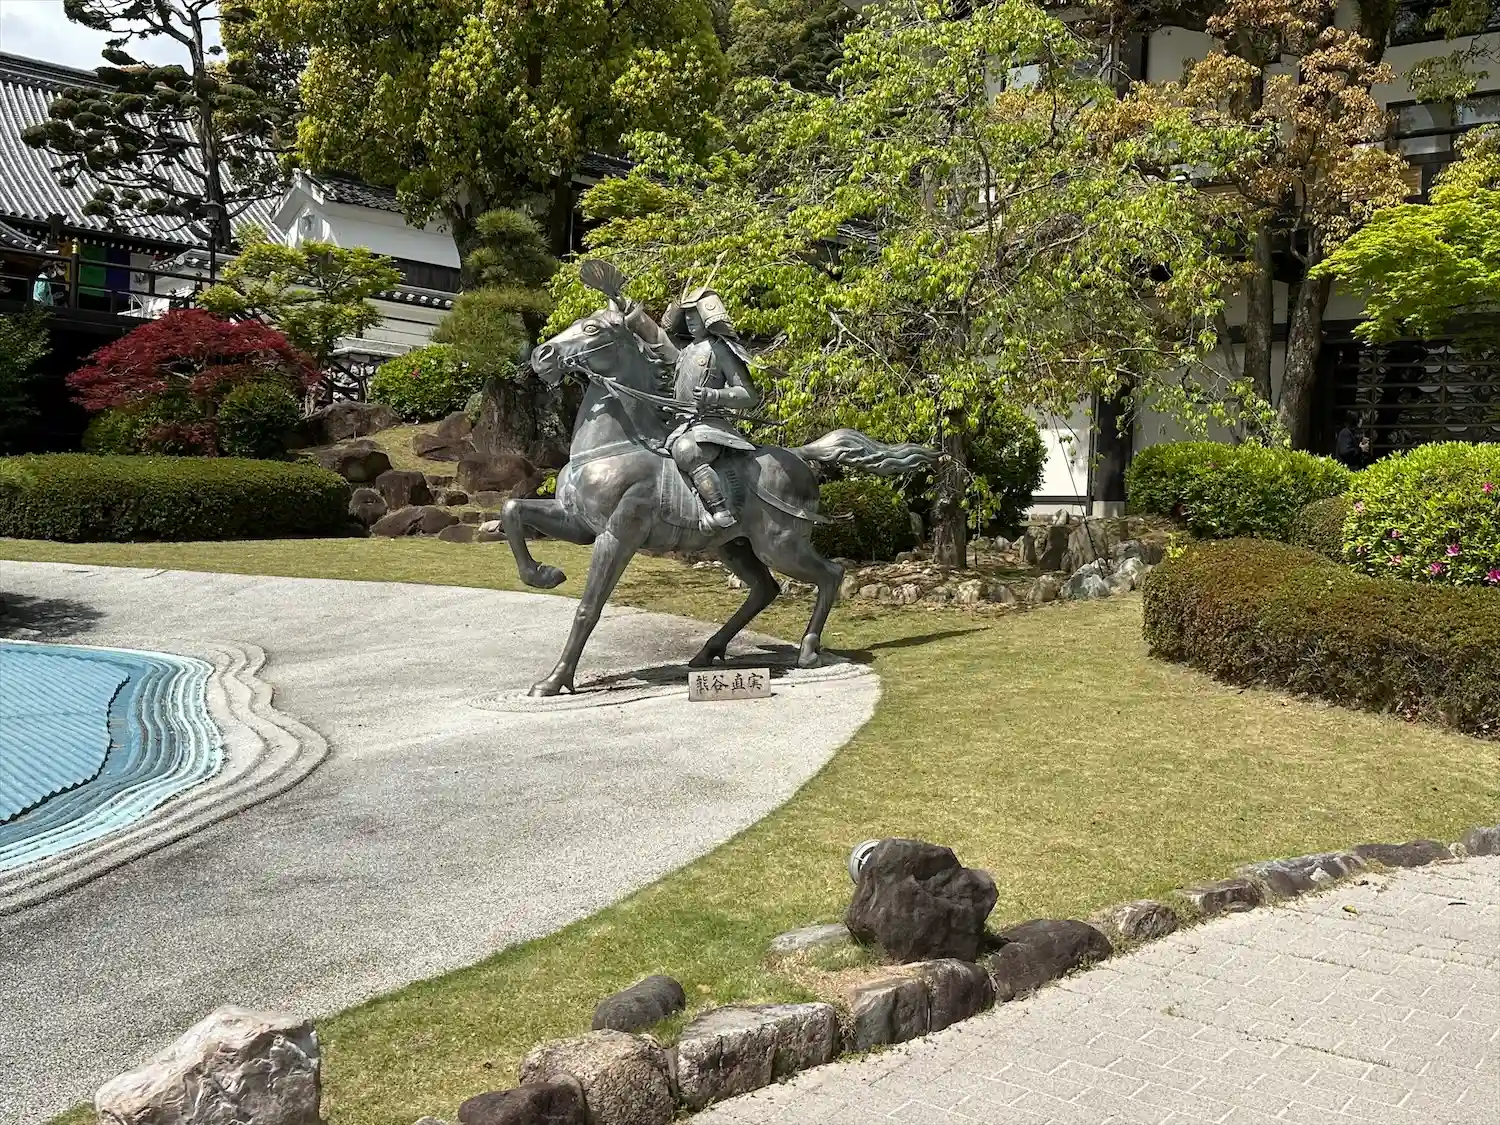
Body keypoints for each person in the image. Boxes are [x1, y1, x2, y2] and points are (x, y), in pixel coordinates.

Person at [621, 286, 760, 531]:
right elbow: (654, 336)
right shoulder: (685, 352)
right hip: (679, 425)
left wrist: (714, 394)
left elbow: (749, 396)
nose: (690, 320)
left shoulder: (720, 350)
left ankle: (720, 510)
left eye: (695, 314)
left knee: (687, 451)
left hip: (708, 424)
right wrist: (622, 301)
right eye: (687, 315)